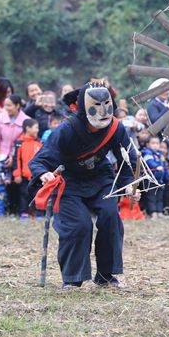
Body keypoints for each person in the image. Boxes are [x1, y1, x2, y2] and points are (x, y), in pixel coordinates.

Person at [29, 80, 138, 289]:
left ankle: (106, 277)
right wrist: (43, 174)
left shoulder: (116, 127)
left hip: (101, 178)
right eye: (96, 106)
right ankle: (72, 279)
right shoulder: (66, 129)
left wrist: (128, 185)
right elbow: (40, 160)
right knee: (79, 225)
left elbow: (128, 160)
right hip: (69, 182)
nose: (103, 112)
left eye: (107, 105)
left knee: (110, 217)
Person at [12, 119, 42, 220]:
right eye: (36, 127)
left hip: (37, 175)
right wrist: (17, 174)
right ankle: (23, 213)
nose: (38, 130)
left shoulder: (39, 142)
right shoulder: (19, 143)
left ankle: (38, 213)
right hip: (24, 176)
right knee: (24, 194)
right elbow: (16, 159)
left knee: (38, 194)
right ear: (28, 128)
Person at [142, 135, 169, 216]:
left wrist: (168, 177)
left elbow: (165, 166)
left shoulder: (161, 155)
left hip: (160, 180)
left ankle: (160, 212)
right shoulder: (147, 153)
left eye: (157, 143)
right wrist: (156, 167)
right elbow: (149, 162)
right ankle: (153, 212)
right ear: (148, 145)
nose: (155, 145)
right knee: (151, 197)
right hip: (151, 180)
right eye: (153, 143)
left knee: (160, 197)